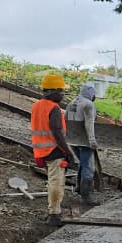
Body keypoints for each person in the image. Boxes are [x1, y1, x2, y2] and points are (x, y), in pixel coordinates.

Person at [31, 73, 77, 226]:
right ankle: (54, 214)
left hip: (40, 151)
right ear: (52, 91)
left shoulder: (36, 106)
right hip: (54, 150)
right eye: (61, 91)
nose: (63, 95)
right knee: (57, 183)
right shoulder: (54, 108)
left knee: (52, 182)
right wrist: (69, 153)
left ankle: (53, 211)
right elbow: (57, 132)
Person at [66, 83, 100, 206]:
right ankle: (86, 196)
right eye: (94, 93)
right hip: (84, 141)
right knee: (89, 168)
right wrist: (92, 140)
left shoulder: (72, 102)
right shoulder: (88, 104)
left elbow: (66, 120)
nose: (94, 96)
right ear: (90, 92)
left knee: (83, 163)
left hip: (72, 140)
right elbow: (89, 123)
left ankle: (79, 187)